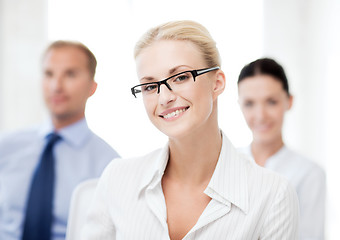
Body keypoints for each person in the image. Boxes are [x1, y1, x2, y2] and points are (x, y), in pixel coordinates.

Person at [81, 21, 299, 240]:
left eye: (181, 77)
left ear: (217, 83)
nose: (164, 97)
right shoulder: (117, 178)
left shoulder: (272, 194)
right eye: (150, 86)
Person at [0, 40, 120, 240]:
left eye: (70, 74)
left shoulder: (110, 165)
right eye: (49, 74)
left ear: (92, 87)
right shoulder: (6, 146)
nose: (56, 86)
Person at [237, 58, 326, 239]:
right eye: (249, 103)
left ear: (289, 101)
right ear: (240, 106)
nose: (260, 116)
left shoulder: (309, 174)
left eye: (271, 102)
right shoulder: (225, 164)